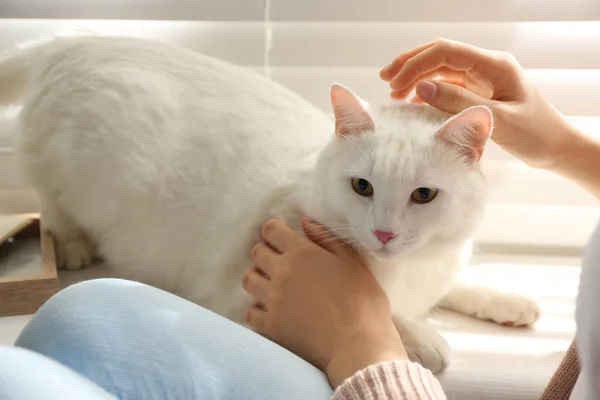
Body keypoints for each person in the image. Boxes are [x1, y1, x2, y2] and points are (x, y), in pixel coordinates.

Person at [0, 38, 598, 399]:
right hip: (109, 99)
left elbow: (262, 309)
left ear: (473, 160)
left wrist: (377, 337)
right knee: (78, 309)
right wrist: (569, 148)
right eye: (362, 187)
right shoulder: (304, 215)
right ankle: (65, 213)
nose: (386, 228)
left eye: (423, 197)